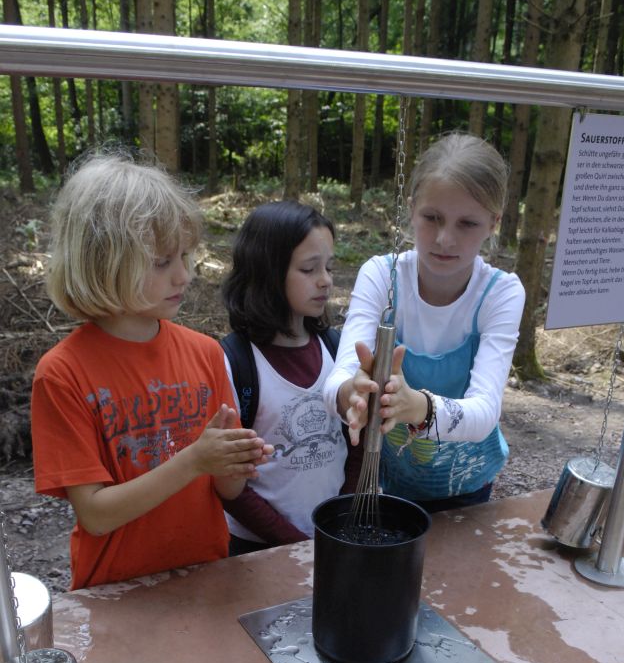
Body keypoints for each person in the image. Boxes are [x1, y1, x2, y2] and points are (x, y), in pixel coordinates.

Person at [31, 150, 272, 590]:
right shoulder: (63, 374)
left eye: (184, 256)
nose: (184, 276)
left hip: (204, 577)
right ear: (102, 262)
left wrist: (233, 464)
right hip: (113, 594)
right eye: (162, 262)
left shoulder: (205, 353)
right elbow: (97, 514)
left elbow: (227, 492)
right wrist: (194, 460)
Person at [323, 131, 526, 511]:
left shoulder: (500, 293)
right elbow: (338, 376)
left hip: (469, 483)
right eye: (432, 218)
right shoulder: (382, 276)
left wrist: (416, 406)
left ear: (494, 222)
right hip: (392, 479)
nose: (445, 239)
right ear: (412, 208)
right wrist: (349, 392)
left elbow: (484, 412)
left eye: (467, 224)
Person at [221, 200, 354, 555]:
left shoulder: (336, 349)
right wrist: (294, 546)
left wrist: (340, 521)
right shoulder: (234, 363)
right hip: (257, 550)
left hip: (333, 537)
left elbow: (356, 440)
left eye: (329, 266)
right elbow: (229, 484)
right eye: (309, 269)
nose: (325, 281)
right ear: (267, 271)